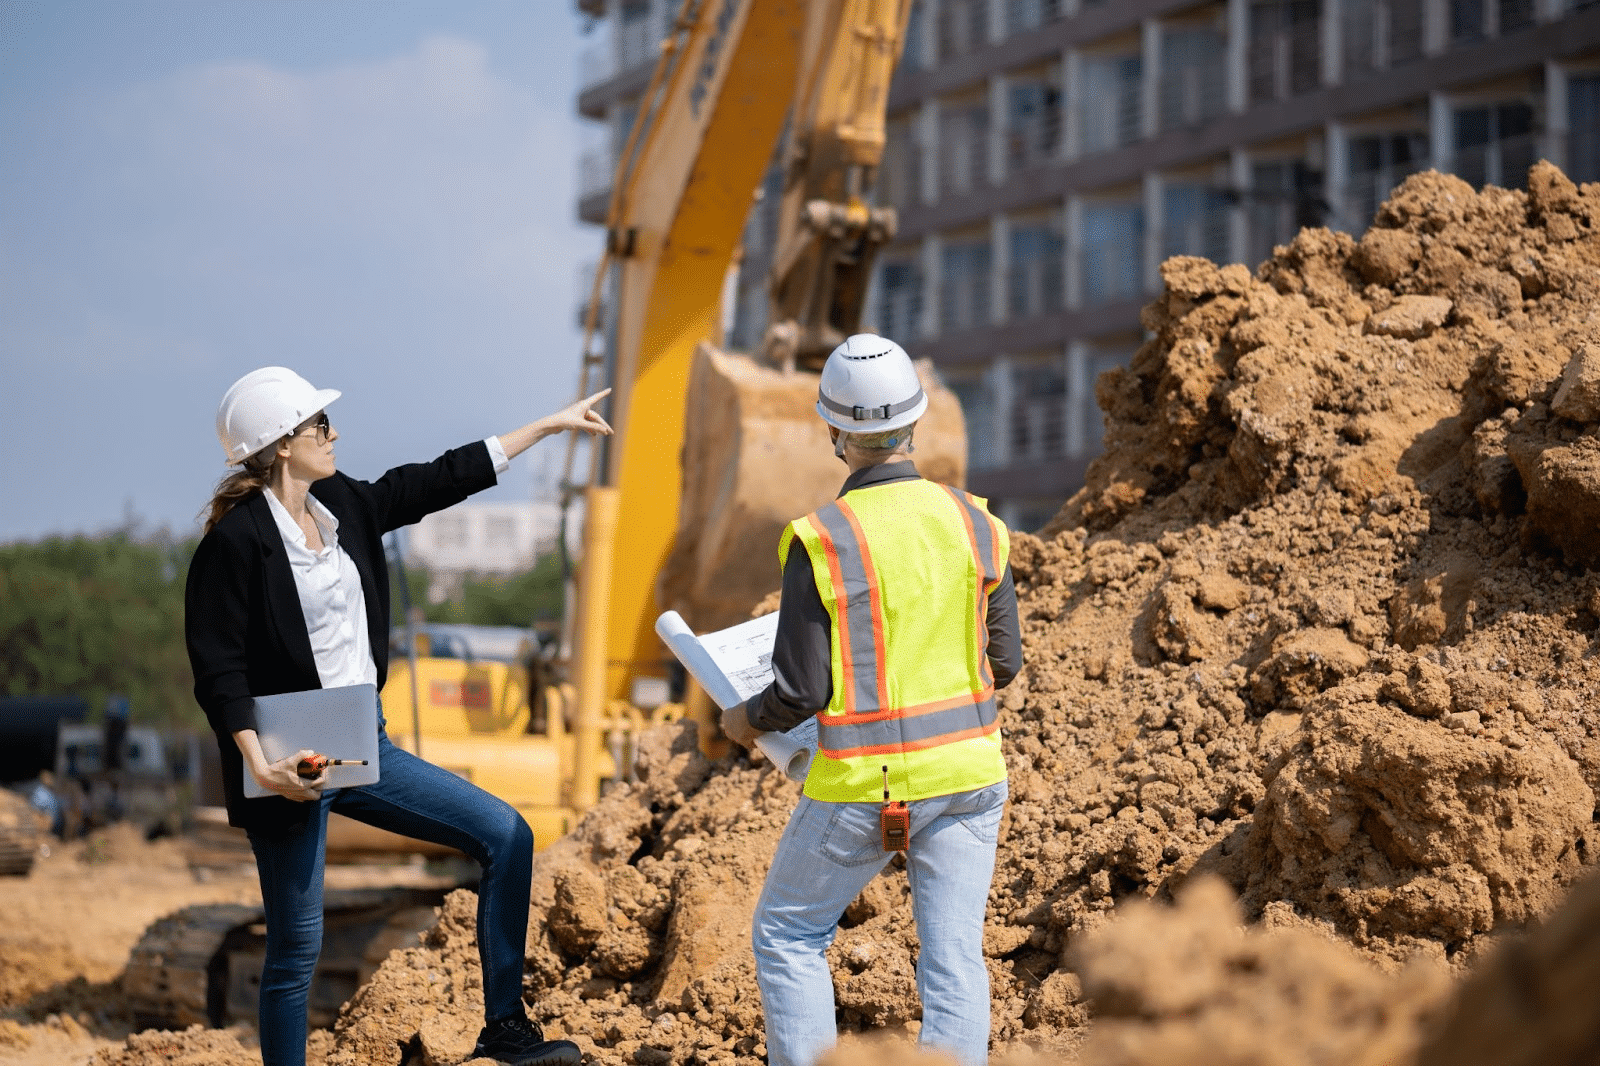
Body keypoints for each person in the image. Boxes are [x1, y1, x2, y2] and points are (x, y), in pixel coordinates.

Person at [185, 367, 611, 1066]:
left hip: (361, 740)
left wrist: (544, 428)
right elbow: (218, 668)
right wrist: (260, 762)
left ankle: (506, 1028)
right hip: (291, 759)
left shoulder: (345, 505)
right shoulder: (235, 544)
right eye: (320, 424)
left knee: (507, 834)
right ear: (282, 443)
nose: (334, 433)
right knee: (296, 948)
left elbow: (437, 479)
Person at [720, 333, 1022, 1066]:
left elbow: (797, 690)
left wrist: (739, 719)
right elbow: (1005, 663)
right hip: (974, 779)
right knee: (954, 961)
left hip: (870, 784)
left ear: (834, 432)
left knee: (789, 934)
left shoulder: (822, 539)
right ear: (914, 425)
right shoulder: (978, 522)